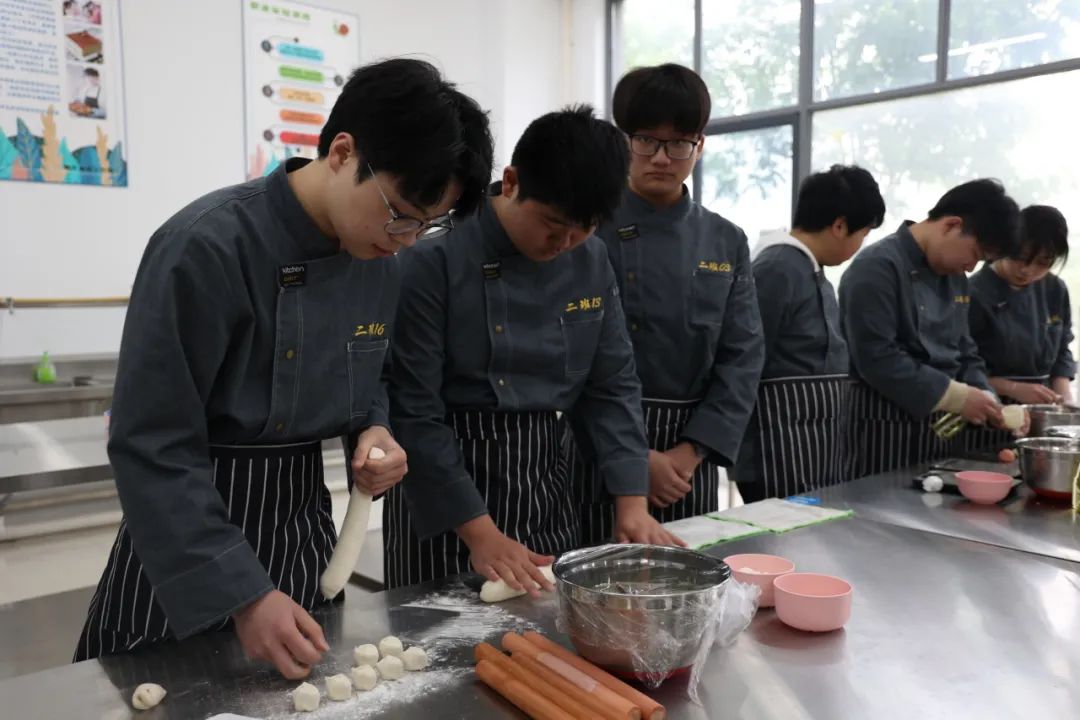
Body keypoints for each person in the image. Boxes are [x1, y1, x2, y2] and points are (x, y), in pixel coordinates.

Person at [73, 59, 494, 680]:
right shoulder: (207, 246)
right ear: (344, 153)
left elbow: (368, 371)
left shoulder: (378, 259)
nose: (406, 239)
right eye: (399, 212)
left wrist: (373, 428)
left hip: (301, 540)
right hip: (187, 542)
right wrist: (241, 592)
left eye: (426, 226)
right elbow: (152, 442)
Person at [384, 106, 683, 595]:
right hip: (448, 493)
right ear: (512, 180)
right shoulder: (433, 260)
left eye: (582, 229)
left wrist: (632, 505)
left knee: (550, 641)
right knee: (442, 645)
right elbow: (414, 410)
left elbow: (612, 384)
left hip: (546, 484)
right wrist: (479, 532)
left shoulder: (591, 259)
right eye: (552, 223)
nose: (563, 243)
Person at [566, 64, 764, 540]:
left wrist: (690, 452)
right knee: (591, 591)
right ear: (623, 141)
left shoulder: (724, 239)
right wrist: (633, 457)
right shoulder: (582, 226)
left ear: (700, 145)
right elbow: (565, 351)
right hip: (590, 445)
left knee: (684, 589)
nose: (661, 157)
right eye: (646, 140)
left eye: (679, 143)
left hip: (686, 460)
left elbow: (743, 356)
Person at [839, 179, 1023, 478]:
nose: (970, 268)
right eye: (975, 254)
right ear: (951, 225)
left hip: (943, 433)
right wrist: (959, 398)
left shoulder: (955, 278)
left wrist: (989, 399)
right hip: (883, 433)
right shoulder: (876, 268)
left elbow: (966, 351)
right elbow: (877, 358)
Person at [735, 165, 885, 502]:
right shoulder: (778, 267)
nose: (860, 245)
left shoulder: (809, 268)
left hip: (810, 448)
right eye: (862, 235)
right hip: (776, 451)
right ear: (839, 225)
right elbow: (744, 362)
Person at [969, 205, 1075, 405]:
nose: (1028, 270)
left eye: (1043, 263)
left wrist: (1066, 401)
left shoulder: (1055, 289)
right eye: (1020, 258)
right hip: (987, 404)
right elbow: (959, 366)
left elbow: (1061, 349)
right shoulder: (974, 294)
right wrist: (1013, 389)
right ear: (1005, 247)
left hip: (1043, 406)